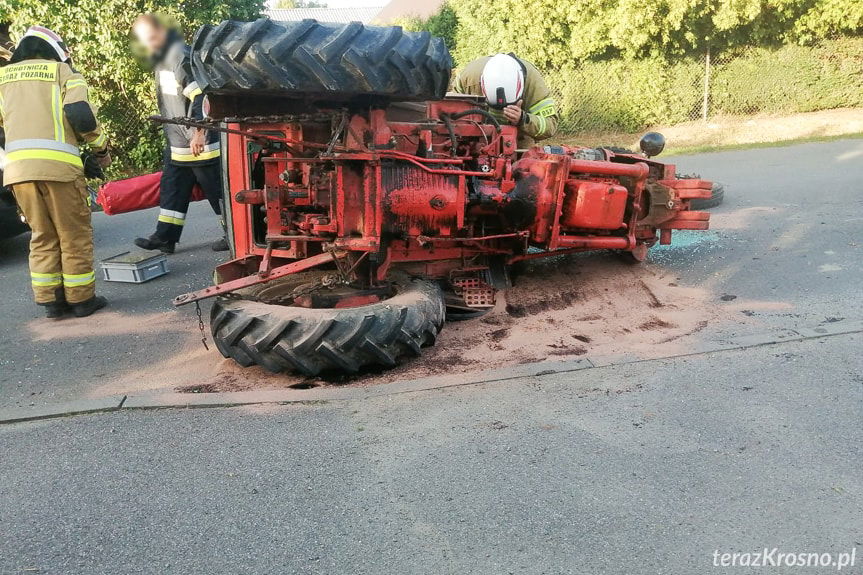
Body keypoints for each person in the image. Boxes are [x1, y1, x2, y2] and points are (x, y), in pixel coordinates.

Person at [0, 26, 111, 319]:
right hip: (59, 169)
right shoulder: (61, 72)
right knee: (72, 234)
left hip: (17, 172)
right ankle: (82, 300)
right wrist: (100, 150)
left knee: (41, 234)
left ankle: (51, 302)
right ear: (54, 49)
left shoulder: (2, 79)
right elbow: (81, 115)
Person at [131, 13, 227, 254]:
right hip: (177, 142)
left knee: (216, 190)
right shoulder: (162, 58)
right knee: (172, 190)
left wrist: (199, 132)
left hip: (197, 141)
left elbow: (201, 96)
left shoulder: (178, 56)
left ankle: (232, 233)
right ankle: (165, 237)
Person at [452, 53, 560, 148]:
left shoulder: (533, 83)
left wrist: (523, 119)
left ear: (521, 86)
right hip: (474, 139)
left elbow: (550, 125)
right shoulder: (468, 78)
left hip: (518, 140)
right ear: (482, 85)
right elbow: (452, 114)